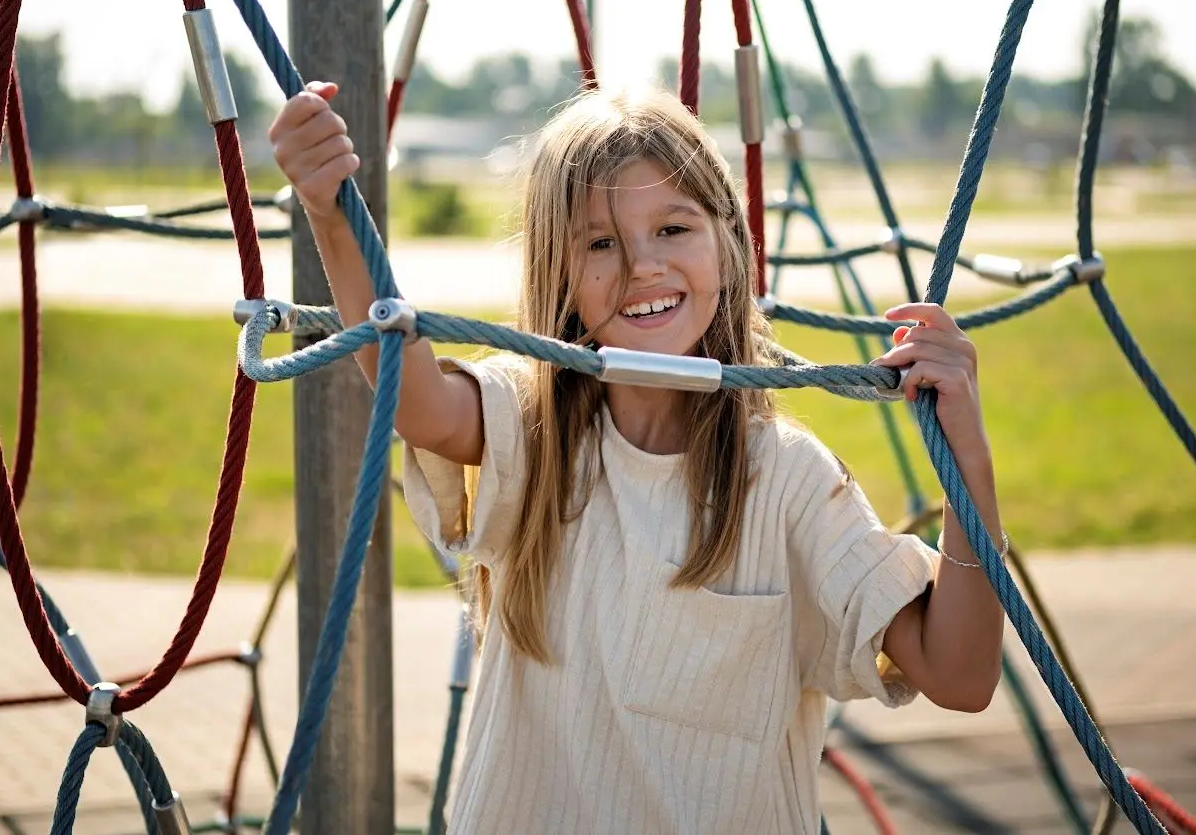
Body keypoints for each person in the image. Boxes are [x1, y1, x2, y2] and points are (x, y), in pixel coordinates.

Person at [269, 81, 1007, 835]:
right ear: (559, 270)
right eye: (600, 243)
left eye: (673, 227)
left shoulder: (785, 478)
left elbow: (961, 674)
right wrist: (331, 212)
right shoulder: (535, 431)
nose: (642, 265)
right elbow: (417, 400)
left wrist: (968, 464)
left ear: (729, 240)